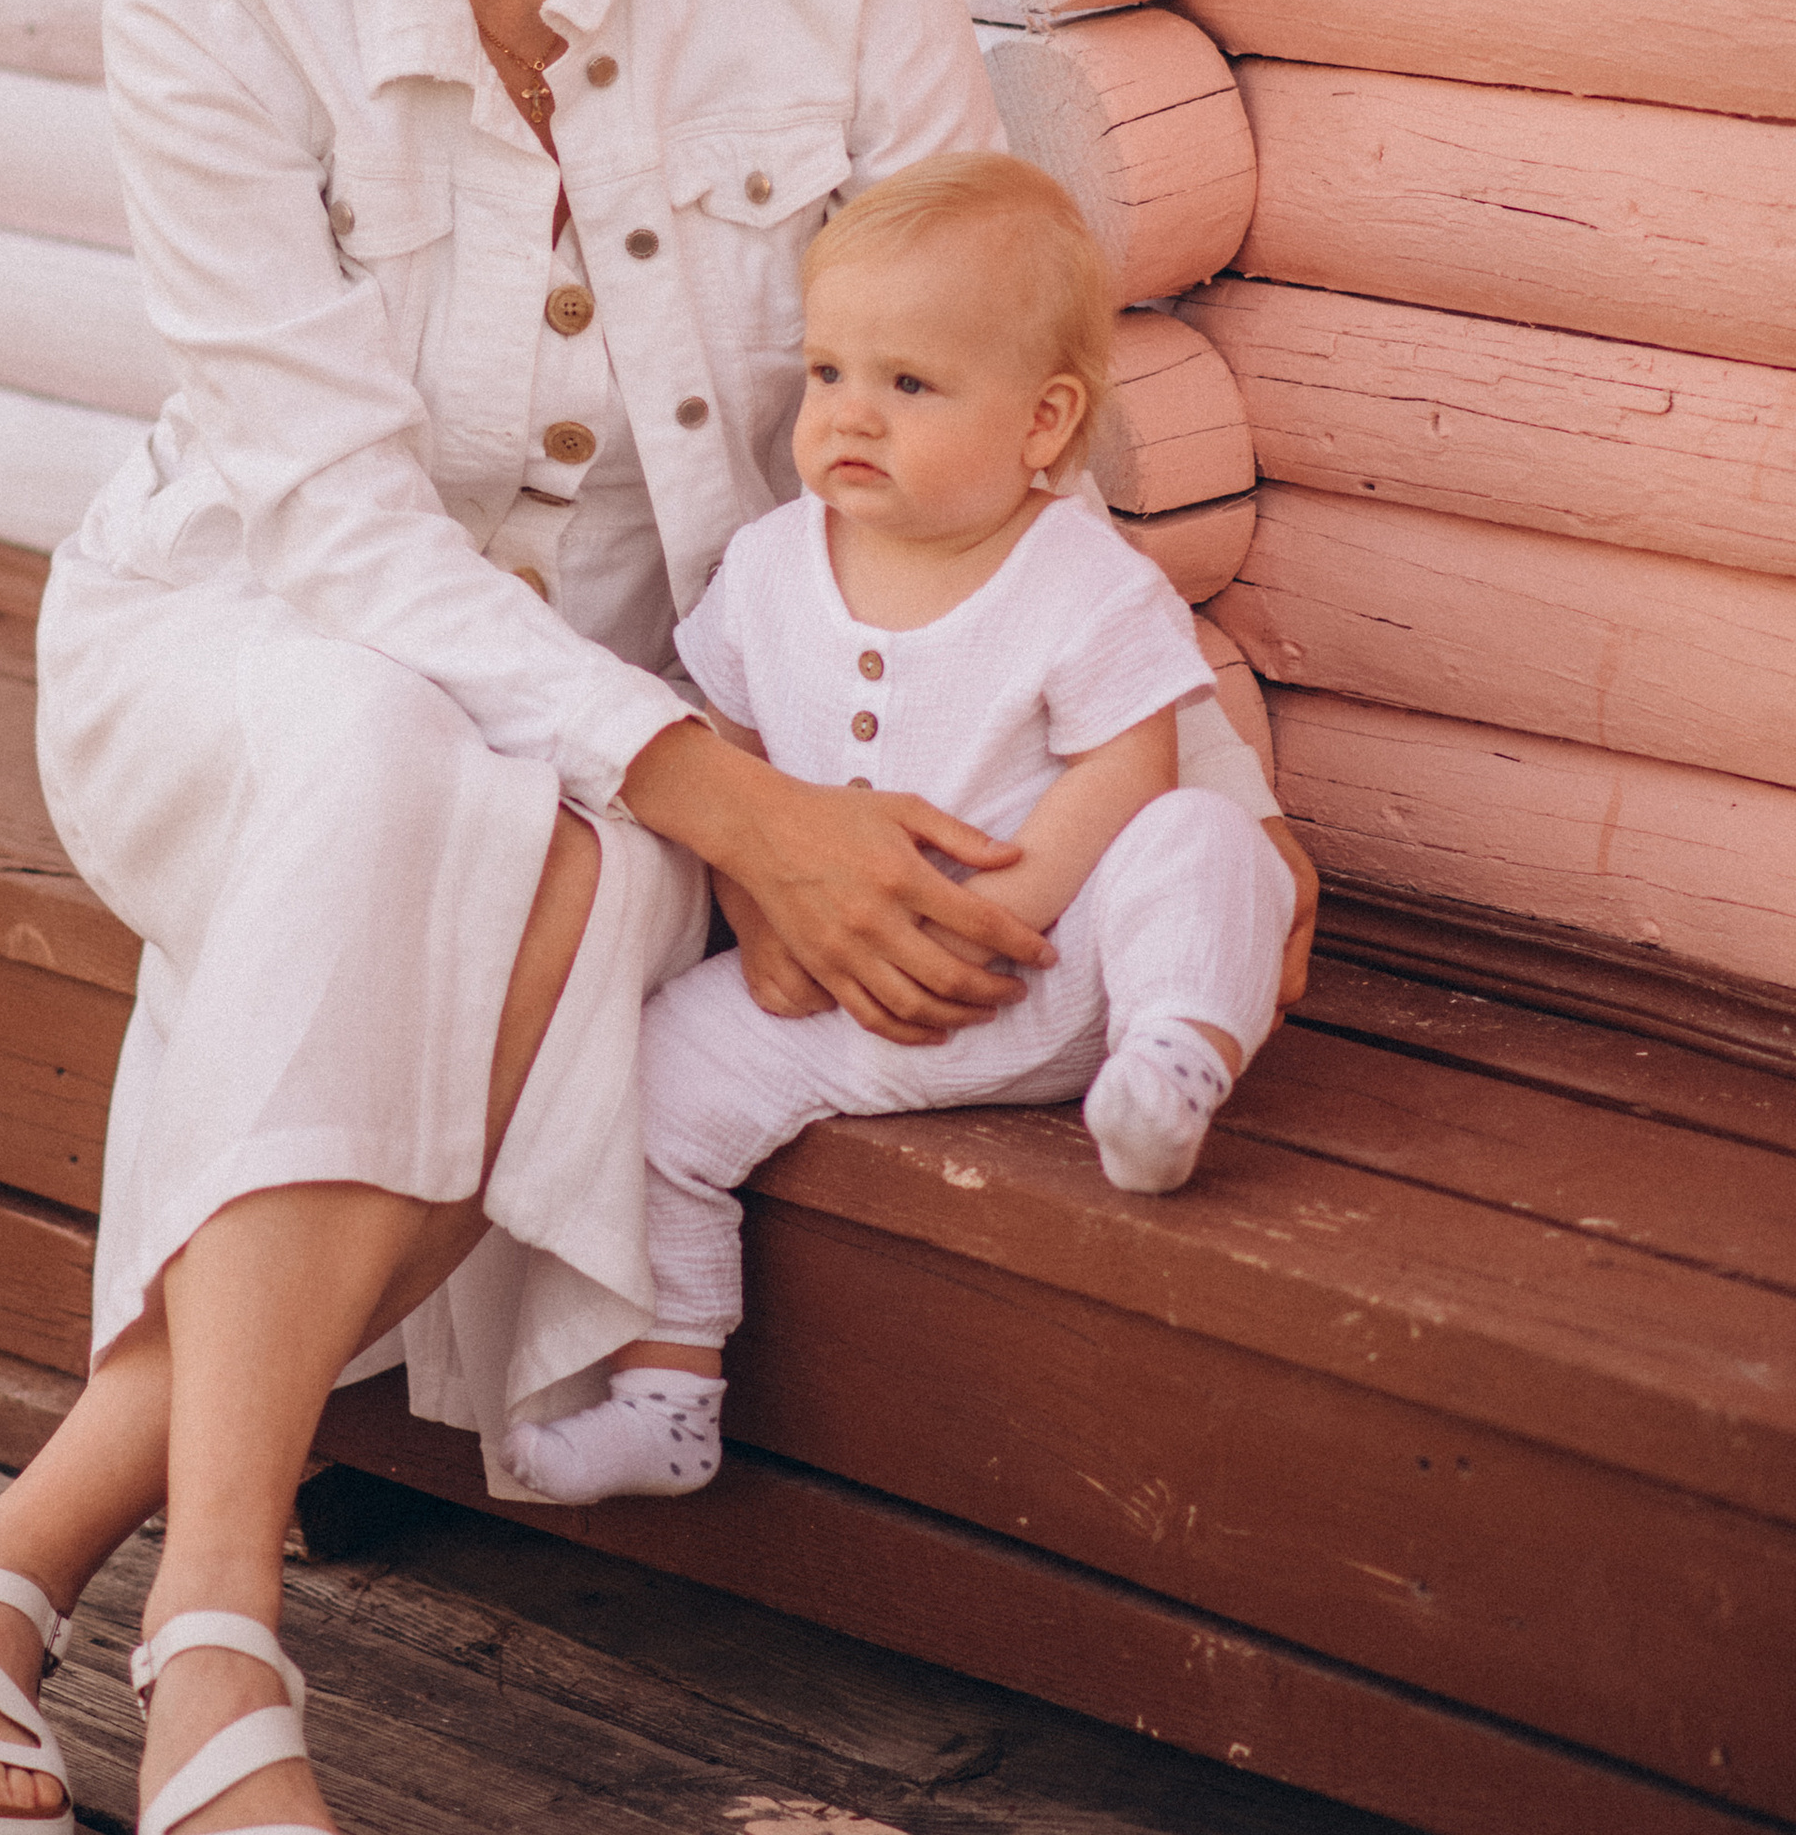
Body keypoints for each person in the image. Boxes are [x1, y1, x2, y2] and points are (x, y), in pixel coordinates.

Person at [0, 0, 1316, 1835]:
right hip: (251, 634)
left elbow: (964, 386)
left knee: (498, 811)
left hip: (674, 688)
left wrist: (1051, 766)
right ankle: (221, 1625)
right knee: (435, 768)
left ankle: (28, 1575)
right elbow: (328, 511)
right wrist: (734, 807)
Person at [499, 150, 1295, 1509]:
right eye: (827, 373)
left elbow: (1130, 761)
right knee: (652, 1070)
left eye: (910, 384)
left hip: (1052, 983)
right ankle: (670, 1387)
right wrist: (766, 916)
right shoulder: (767, 566)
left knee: (1209, 846)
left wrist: (1016, 909)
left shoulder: (1080, 581)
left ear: (1044, 424)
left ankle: (1172, 1065)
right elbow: (731, 742)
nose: (848, 414)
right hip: (836, 995)